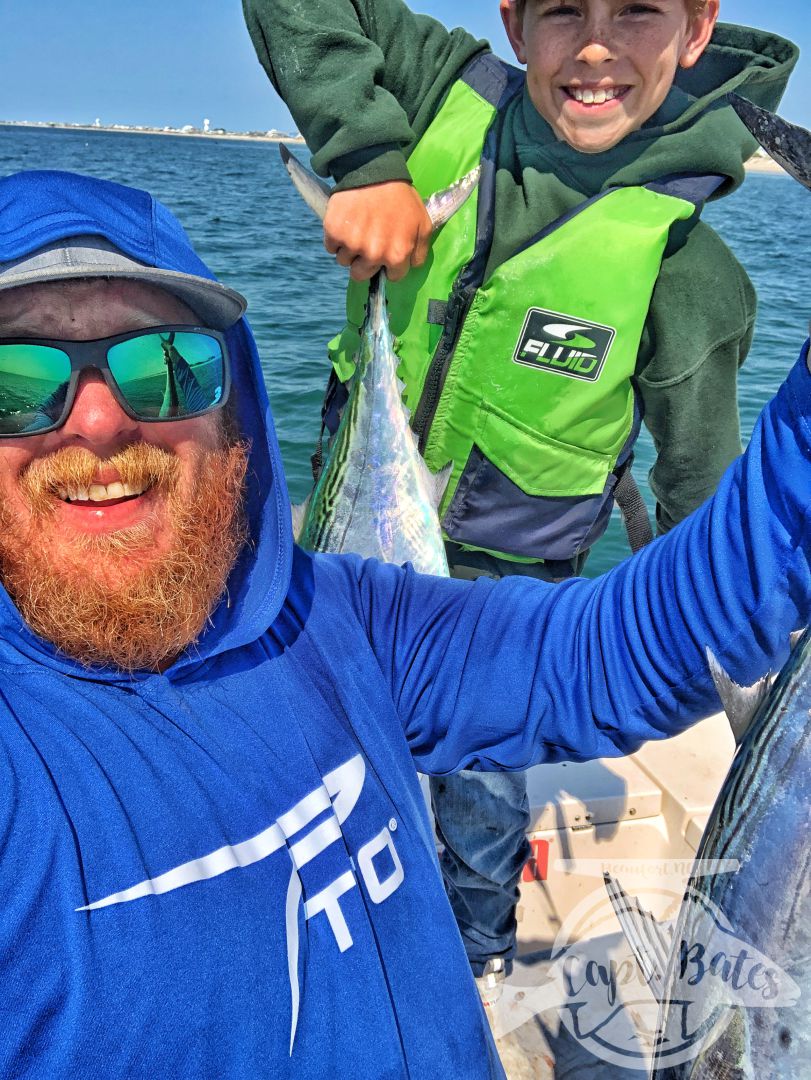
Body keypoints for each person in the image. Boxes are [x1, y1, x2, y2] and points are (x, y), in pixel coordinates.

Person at [0, 167, 809, 1080]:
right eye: (14, 379)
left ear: (235, 409)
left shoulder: (339, 619)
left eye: (167, 368)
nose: (101, 423)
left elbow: (622, 645)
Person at [241, 0, 799, 1002]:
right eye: (560, 11)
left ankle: (474, 949)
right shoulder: (437, 92)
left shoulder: (686, 269)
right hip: (349, 550)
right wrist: (367, 159)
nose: (593, 44)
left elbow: (698, 489)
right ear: (510, 18)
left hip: (505, 613)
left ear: (697, 27)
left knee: (485, 803)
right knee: (311, 742)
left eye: (636, 11)